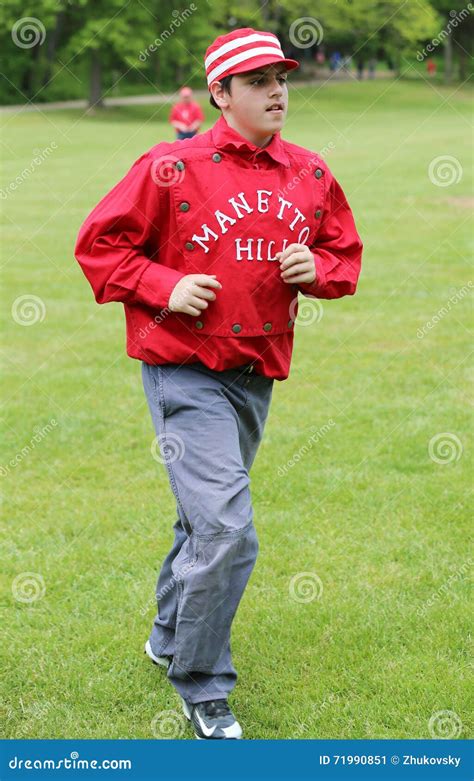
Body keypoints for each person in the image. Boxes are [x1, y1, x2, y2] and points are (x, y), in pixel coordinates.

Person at [74, 26, 363, 740]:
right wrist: (165, 284)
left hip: (255, 374)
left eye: (281, 79)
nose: (277, 93)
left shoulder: (312, 173)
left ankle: (168, 634)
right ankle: (201, 682)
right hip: (181, 368)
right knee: (229, 529)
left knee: (201, 521)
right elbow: (99, 245)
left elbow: (343, 256)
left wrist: (315, 272)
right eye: (259, 81)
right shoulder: (170, 165)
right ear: (220, 93)